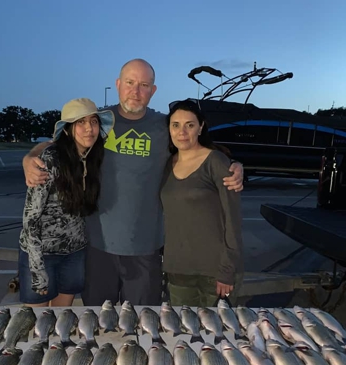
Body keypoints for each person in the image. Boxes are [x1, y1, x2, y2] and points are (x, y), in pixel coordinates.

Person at [22, 59, 244, 306]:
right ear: (118, 84)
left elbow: (196, 148)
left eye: (144, 85)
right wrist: (30, 156)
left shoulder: (165, 126)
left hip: (145, 250)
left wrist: (235, 165)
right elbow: (59, 143)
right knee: (97, 322)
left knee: (140, 325)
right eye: (129, 83)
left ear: (153, 90)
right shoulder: (97, 122)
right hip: (97, 247)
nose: (135, 91)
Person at [18, 98, 114, 307]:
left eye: (94, 122)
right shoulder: (50, 159)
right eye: (81, 122)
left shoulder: (93, 157)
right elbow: (30, 219)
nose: (89, 128)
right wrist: (37, 268)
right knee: (37, 323)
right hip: (41, 254)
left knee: (62, 319)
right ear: (69, 129)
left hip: (74, 254)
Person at [160, 100, 244, 307]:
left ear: (201, 127)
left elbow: (232, 218)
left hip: (214, 272)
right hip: (178, 270)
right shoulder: (166, 165)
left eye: (189, 125)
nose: (182, 131)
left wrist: (227, 269)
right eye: (175, 125)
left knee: (218, 336)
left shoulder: (215, 161)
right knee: (184, 335)